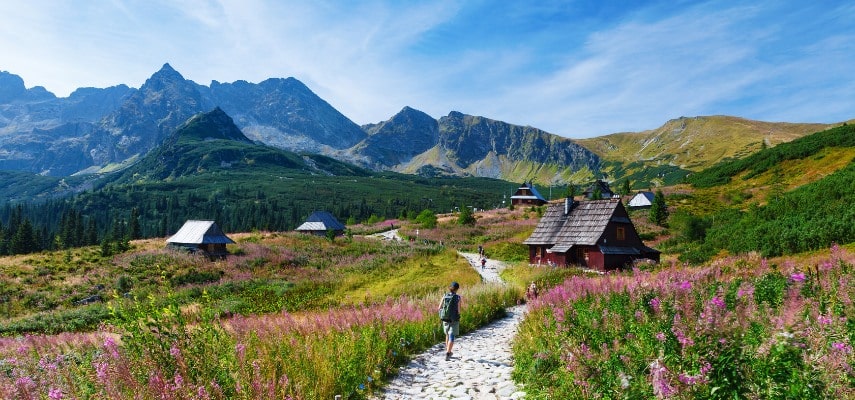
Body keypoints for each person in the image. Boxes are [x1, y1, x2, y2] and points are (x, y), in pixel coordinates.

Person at [438, 281, 462, 360]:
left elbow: (439, 308)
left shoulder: (444, 296)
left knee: (447, 335)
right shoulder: (458, 297)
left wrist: (444, 314)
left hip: (445, 319)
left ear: (450, 288)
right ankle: (448, 353)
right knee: (452, 336)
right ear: (457, 289)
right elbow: (459, 311)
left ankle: (448, 350)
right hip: (454, 319)